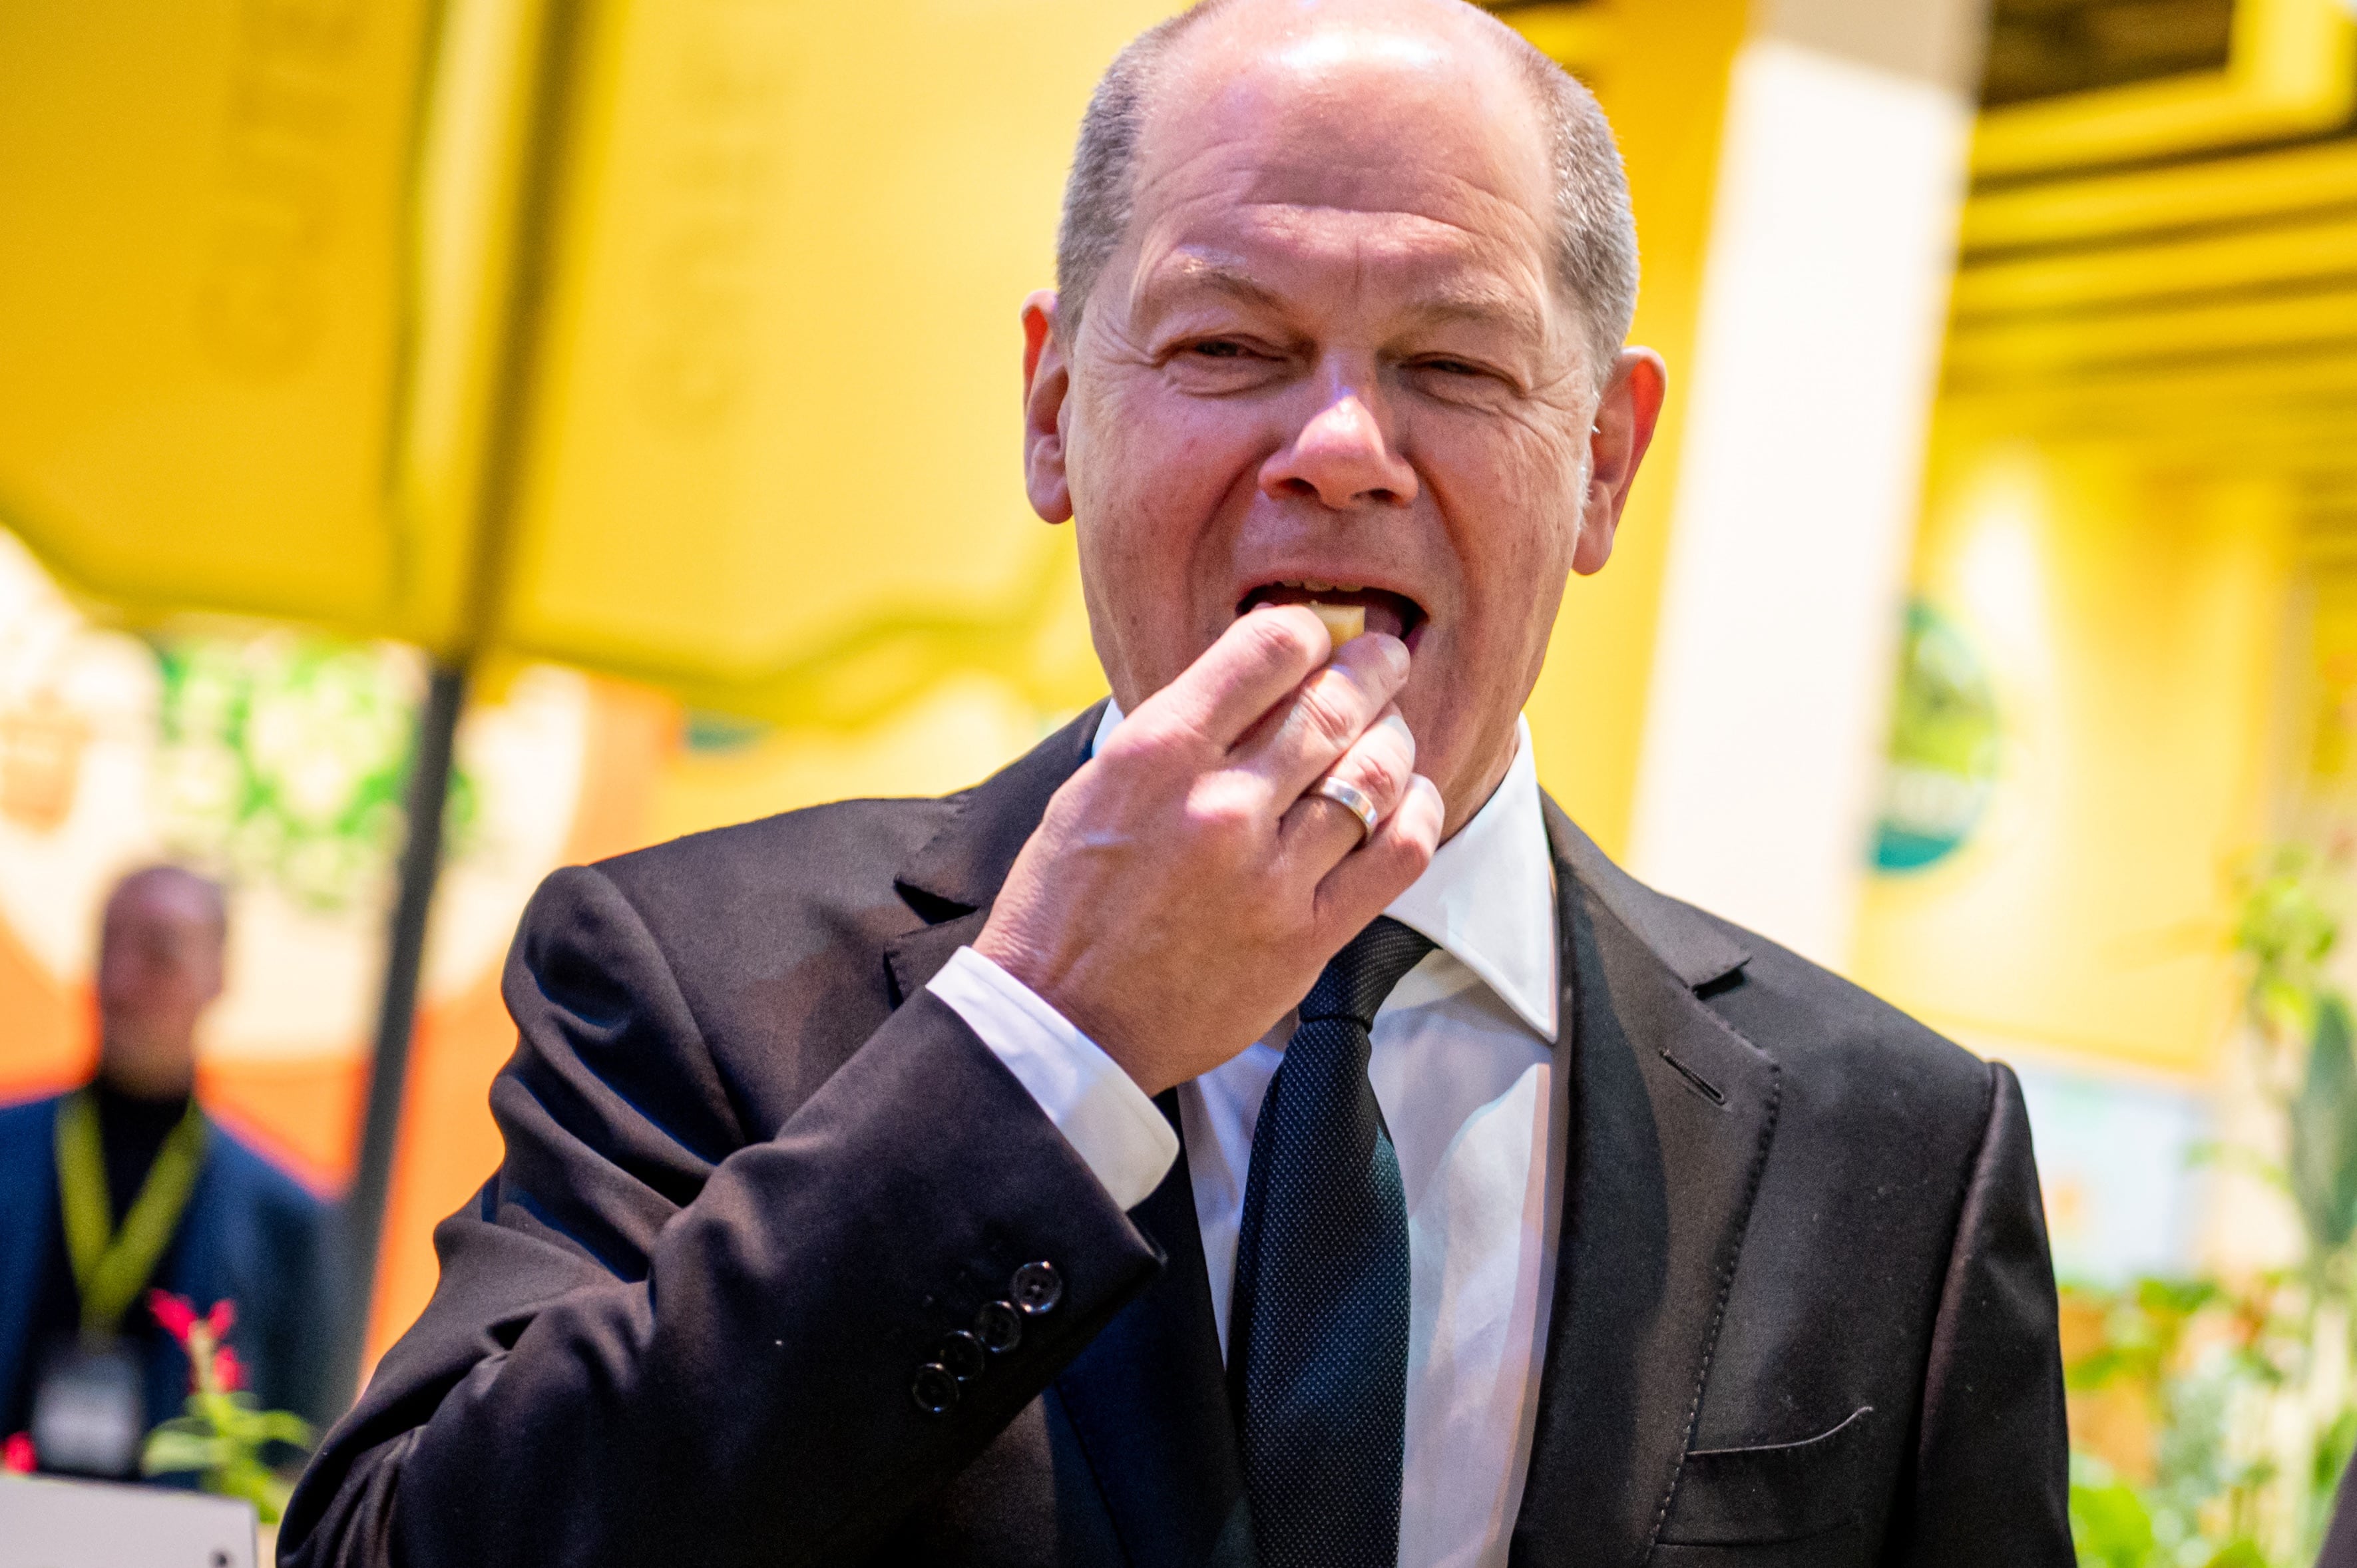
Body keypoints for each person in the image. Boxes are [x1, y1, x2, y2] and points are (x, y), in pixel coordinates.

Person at [283, 1, 2072, 1563]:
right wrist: (1042, 1040)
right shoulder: (694, 983)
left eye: (1450, 364)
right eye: (1229, 346)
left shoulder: (1892, 1152)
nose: (1340, 448)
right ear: (1055, 405)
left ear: (1599, 460)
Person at [0, 865, 333, 1476]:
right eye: (110, 947)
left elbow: (295, 1460)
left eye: (160, 954)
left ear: (218, 979)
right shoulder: (9, 1150)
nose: (124, 981)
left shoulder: (286, 1217)